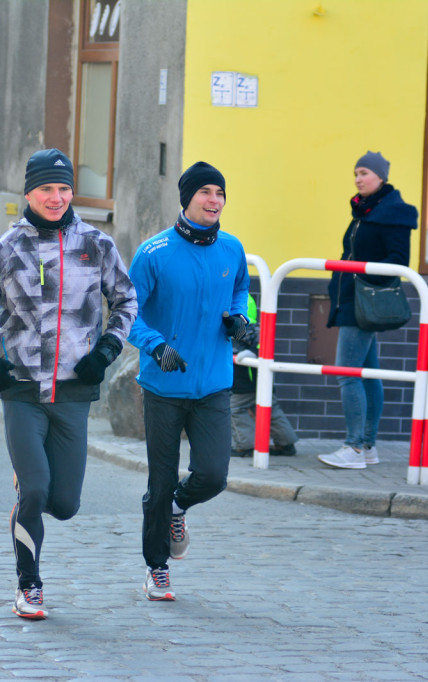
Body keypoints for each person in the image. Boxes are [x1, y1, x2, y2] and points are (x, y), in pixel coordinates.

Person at [0, 148, 137, 619]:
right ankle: (29, 583)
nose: (56, 197)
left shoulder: (97, 245)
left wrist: (106, 352)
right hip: (20, 390)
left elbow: (126, 302)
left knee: (65, 503)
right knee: (35, 493)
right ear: (29, 193)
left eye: (62, 188)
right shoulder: (5, 249)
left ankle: (30, 491)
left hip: (74, 393)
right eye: (46, 189)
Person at [127, 161, 249, 601]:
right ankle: (156, 567)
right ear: (187, 198)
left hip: (214, 382)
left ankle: (179, 507)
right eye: (206, 193)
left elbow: (240, 292)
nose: (214, 200)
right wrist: (155, 345)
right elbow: (127, 312)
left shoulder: (232, 249)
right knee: (159, 483)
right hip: (163, 386)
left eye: (220, 193)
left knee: (213, 475)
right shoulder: (153, 253)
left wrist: (240, 320)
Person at [318, 151, 418, 470]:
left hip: (364, 301)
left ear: (380, 177)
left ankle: (355, 448)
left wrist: (360, 273)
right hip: (352, 299)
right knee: (369, 374)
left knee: (348, 373)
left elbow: (398, 261)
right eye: (356, 174)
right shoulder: (364, 211)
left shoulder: (392, 212)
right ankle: (369, 446)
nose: (359, 179)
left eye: (364, 173)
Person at [230, 293, 298, 457]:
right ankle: (286, 442)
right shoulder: (257, 329)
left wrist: (249, 354)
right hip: (263, 380)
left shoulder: (237, 331)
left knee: (235, 409)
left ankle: (245, 445)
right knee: (271, 410)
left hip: (244, 383)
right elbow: (263, 346)